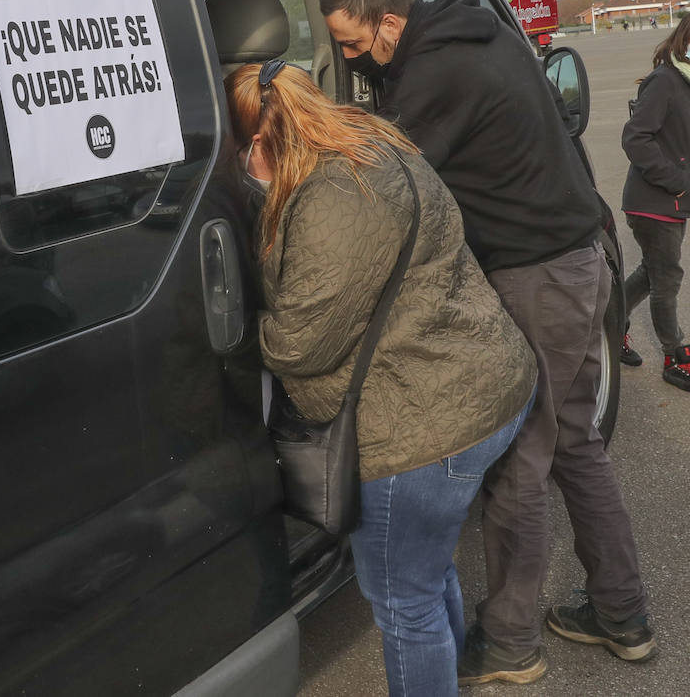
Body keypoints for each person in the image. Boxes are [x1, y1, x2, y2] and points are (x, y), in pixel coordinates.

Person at [321, 0, 656, 684]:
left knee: (518, 463)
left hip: (536, 278)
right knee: (573, 440)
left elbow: (386, 188)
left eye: (351, 45)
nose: (347, 60)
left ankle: (510, 643)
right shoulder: (483, 33)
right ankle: (622, 612)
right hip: (579, 260)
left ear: (387, 25)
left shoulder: (433, 76)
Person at [229, 59, 536, 697]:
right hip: (482, 387)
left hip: (421, 430)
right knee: (429, 576)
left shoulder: (332, 199)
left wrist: (238, 327)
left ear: (260, 141)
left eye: (238, 150)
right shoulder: (377, 146)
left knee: (404, 605)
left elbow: (300, 343)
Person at [619, 9, 690, 392]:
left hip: (672, 198)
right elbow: (636, 138)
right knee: (667, 277)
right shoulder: (666, 80)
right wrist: (678, 181)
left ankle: (608, 325)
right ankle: (674, 356)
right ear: (684, 41)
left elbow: (682, 142)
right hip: (655, 201)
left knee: (652, 272)